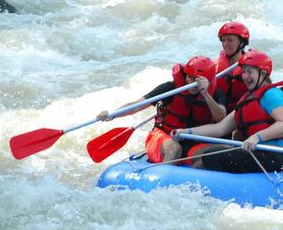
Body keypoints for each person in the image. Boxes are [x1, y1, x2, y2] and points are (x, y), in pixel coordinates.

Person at [171, 50, 283, 173]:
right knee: (210, 153)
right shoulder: (248, 99)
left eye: (250, 72)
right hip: (261, 153)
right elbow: (220, 128)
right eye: (243, 72)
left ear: (263, 73)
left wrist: (257, 137)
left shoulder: (271, 94)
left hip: (281, 156)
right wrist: (185, 132)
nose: (245, 76)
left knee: (212, 158)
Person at [97, 55, 226, 163]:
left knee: (221, 151)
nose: (191, 82)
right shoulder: (170, 88)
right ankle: (162, 182)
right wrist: (113, 114)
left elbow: (221, 118)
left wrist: (205, 94)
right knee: (174, 149)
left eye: (197, 79)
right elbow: (139, 105)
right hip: (163, 137)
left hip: (194, 143)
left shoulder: (215, 94)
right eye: (189, 77)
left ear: (207, 80)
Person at [215, 21, 250, 113]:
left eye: (230, 40)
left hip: (244, 111)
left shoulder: (254, 66)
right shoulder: (215, 66)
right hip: (220, 112)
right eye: (223, 40)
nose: (225, 44)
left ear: (242, 43)